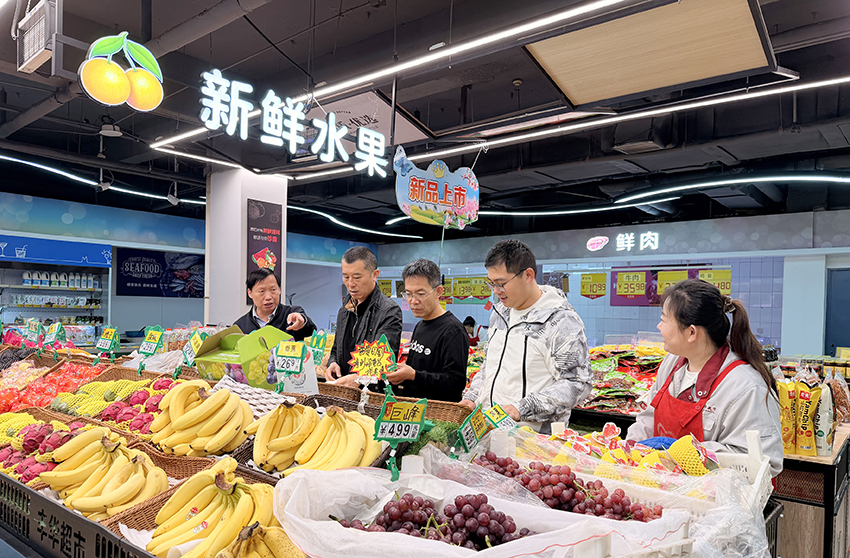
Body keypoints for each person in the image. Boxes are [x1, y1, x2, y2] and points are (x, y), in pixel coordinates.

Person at [626, 279, 783, 476]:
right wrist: (631, 448)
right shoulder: (672, 362)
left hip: (716, 493)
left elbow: (765, 463)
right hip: (663, 485)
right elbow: (649, 418)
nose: (659, 326)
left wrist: (688, 453)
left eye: (664, 319)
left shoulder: (746, 387)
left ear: (691, 332)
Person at [460, 240, 592, 433]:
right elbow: (489, 365)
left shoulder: (559, 320)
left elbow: (578, 383)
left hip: (533, 438)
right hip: (489, 429)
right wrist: (473, 397)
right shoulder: (500, 313)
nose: (496, 291)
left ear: (528, 275)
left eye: (501, 284)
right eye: (491, 284)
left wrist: (521, 408)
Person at [387, 259, 469, 401]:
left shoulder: (453, 330)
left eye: (420, 293)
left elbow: (456, 382)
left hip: (437, 412)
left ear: (438, 292)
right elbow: (418, 371)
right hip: (413, 408)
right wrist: (402, 375)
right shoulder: (420, 325)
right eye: (408, 294)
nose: (413, 301)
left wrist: (413, 375)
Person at [325, 247, 403, 386]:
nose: (350, 284)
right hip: (342, 391)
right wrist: (333, 363)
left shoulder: (389, 311)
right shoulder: (344, 310)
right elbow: (336, 349)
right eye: (346, 277)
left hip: (370, 394)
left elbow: (383, 363)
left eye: (357, 277)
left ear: (374, 275)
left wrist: (358, 379)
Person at [233, 268, 316, 340]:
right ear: (250, 293)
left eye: (273, 290)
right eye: (261, 291)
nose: (268, 297)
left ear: (279, 290)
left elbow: (311, 333)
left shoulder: (292, 314)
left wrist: (303, 323)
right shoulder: (239, 326)